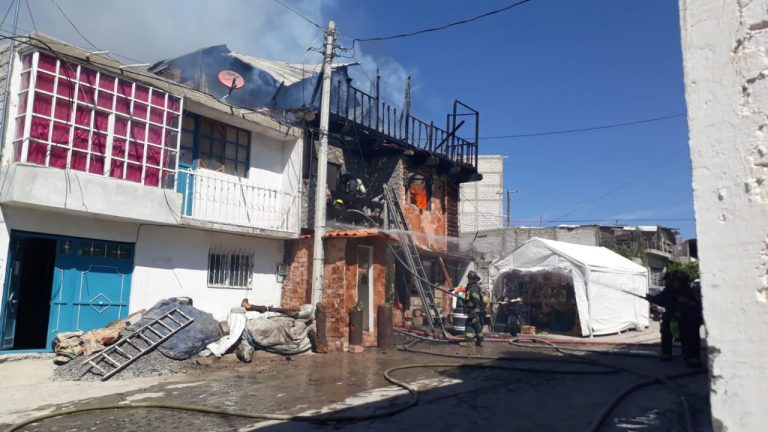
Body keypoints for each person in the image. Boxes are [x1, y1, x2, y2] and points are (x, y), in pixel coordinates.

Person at [647, 270, 703, 367]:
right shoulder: (687, 289)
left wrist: (651, 298)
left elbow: (663, 299)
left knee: (674, 333)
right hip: (689, 316)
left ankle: (672, 355)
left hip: (686, 316)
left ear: (677, 281)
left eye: (672, 281)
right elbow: (663, 299)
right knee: (688, 336)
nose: (669, 283)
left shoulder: (679, 290)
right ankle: (689, 357)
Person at [460, 271, 486, 347]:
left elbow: (475, 298)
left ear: (474, 279)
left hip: (473, 310)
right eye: (468, 278)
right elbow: (467, 298)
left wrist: (469, 305)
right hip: (475, 310)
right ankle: (480, 340)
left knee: (469, 323)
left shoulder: (473, 287)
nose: (469, 279)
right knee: (476, 324)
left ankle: (468, 342)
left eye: (470, 278)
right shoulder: (470, 287)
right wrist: (463, 298)